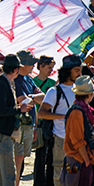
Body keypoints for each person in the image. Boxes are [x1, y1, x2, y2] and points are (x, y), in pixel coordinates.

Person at [0, 54, 30, 186]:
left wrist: (18, 108)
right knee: (9, 174)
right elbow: (1, 110)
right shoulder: (1, 85)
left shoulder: (2, 83)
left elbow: (2, 109)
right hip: (1, 133)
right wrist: (19, 109)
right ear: (15, 69)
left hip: (0, 132)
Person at [38, 54, 81, 186]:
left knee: (79, 174)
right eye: (77, 70)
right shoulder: (54, 91)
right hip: (61, 138)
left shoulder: (82, 90)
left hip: (80, 139)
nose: (80, 73)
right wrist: (64, 116)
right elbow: (42, 113)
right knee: (59, 173)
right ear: (68, 72)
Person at [13, 50, 44, 186]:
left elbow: (43, 98)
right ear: (21, 64)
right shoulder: (15, 79)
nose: (33, 66)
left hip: (29, 124)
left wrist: (31, 98)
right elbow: (22, 101)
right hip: (18, 125)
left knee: (22, 157)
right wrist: (32, 99)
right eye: (30, 63)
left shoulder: (28, 78)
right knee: (17, 157)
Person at [62, 75, 94, 185]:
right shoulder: (77, 112)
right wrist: (86, 162)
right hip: (79, 160)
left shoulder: (86, 110)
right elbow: (78, 141)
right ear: (90, 95)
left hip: (83, 159)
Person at [33, 55, 56, 186]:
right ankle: (38, 182)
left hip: (49, 122)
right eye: (48, 67)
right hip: (38, 122)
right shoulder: (32, 82)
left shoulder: (53, 84)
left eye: (52, 68)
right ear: (41, 66)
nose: (50, 70)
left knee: (51, 155)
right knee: (40, 155)